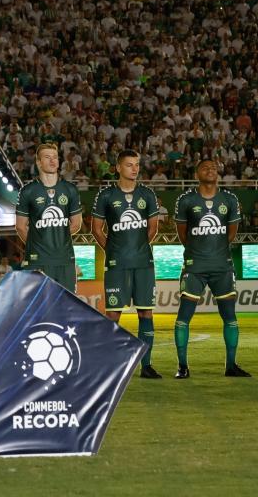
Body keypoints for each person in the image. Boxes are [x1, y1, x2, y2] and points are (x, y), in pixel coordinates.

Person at [173, 159, 249, 378]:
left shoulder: (229, 199)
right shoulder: (186, 199)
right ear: (197, 173)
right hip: (194, 266)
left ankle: (231, 365)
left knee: (230, 316)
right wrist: (198, 250)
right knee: (184, 316)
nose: (211, 170)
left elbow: (231, 232)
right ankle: (182, 366)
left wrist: (216, 250)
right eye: (206, 168)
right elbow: (182, 233)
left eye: (214, 168)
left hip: (222, 266)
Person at [91, 150, 161, 379]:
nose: (134, 168)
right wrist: (113, 250)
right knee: (113, 314)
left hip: (143, 263)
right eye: (129, 165)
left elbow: (153, 229)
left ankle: (147, 366)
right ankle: (111, 366)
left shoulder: (147, 195)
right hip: (117, 264)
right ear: (118, 168)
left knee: (146, 313)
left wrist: (138, 248)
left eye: (137, 164)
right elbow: (96, 229)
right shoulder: (106, 195)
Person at [15, 143, 82, 292]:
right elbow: (20, 226)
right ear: (38, 162)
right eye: (47, 157)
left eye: (55, 157)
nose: (53, 161)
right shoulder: (28, 191)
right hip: (37, 260)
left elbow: (76, 223)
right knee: (39, 308)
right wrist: (39, 244)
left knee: (66, 307)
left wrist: (57, 240)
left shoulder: (70, 189)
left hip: (65, 259)